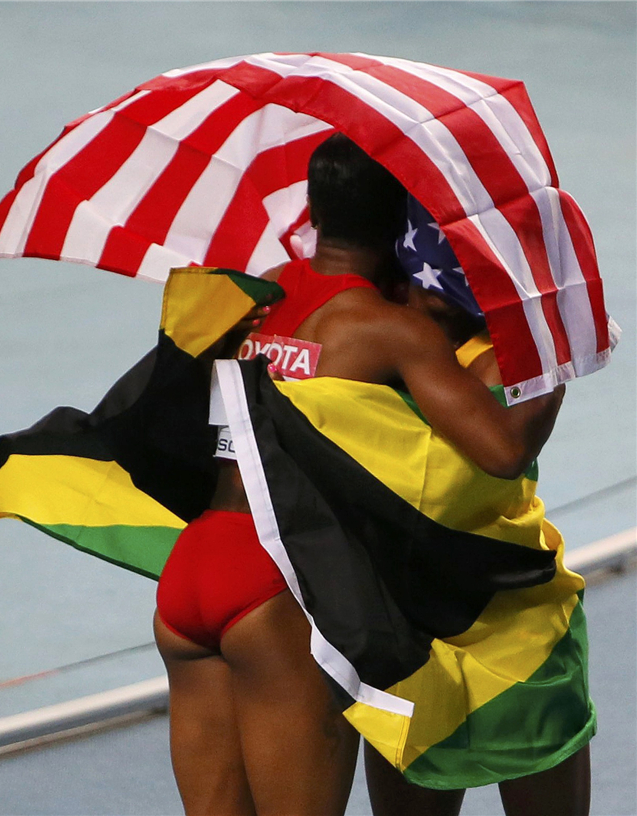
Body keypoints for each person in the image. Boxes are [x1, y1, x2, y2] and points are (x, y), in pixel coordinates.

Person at [152, 133, 576, 816]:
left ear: (313, 208)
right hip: (277, 585)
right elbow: (501, 451)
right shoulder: (384, 328)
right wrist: (557, 354)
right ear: (404, 225)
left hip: (194, 569)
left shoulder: (249, 298)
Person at [362, 193, 593, 816]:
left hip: (513, 632)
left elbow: (505, 450)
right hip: (414, 638)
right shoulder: (516, 349)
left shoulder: (367, 344)